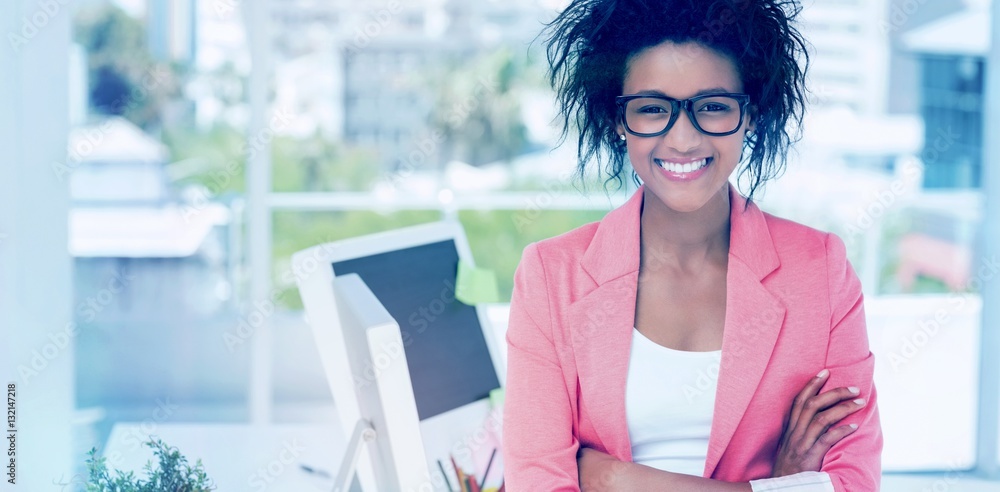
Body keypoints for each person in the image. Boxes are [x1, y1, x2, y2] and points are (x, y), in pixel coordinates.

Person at [501, 0, 883, 490]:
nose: (683, 139)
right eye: (653, 109)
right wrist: (781, 485)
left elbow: (854, 482)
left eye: (713, 107)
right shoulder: (551, 276)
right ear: (618, 120)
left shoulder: (821, 271)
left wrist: (616, 478)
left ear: (751, 114)